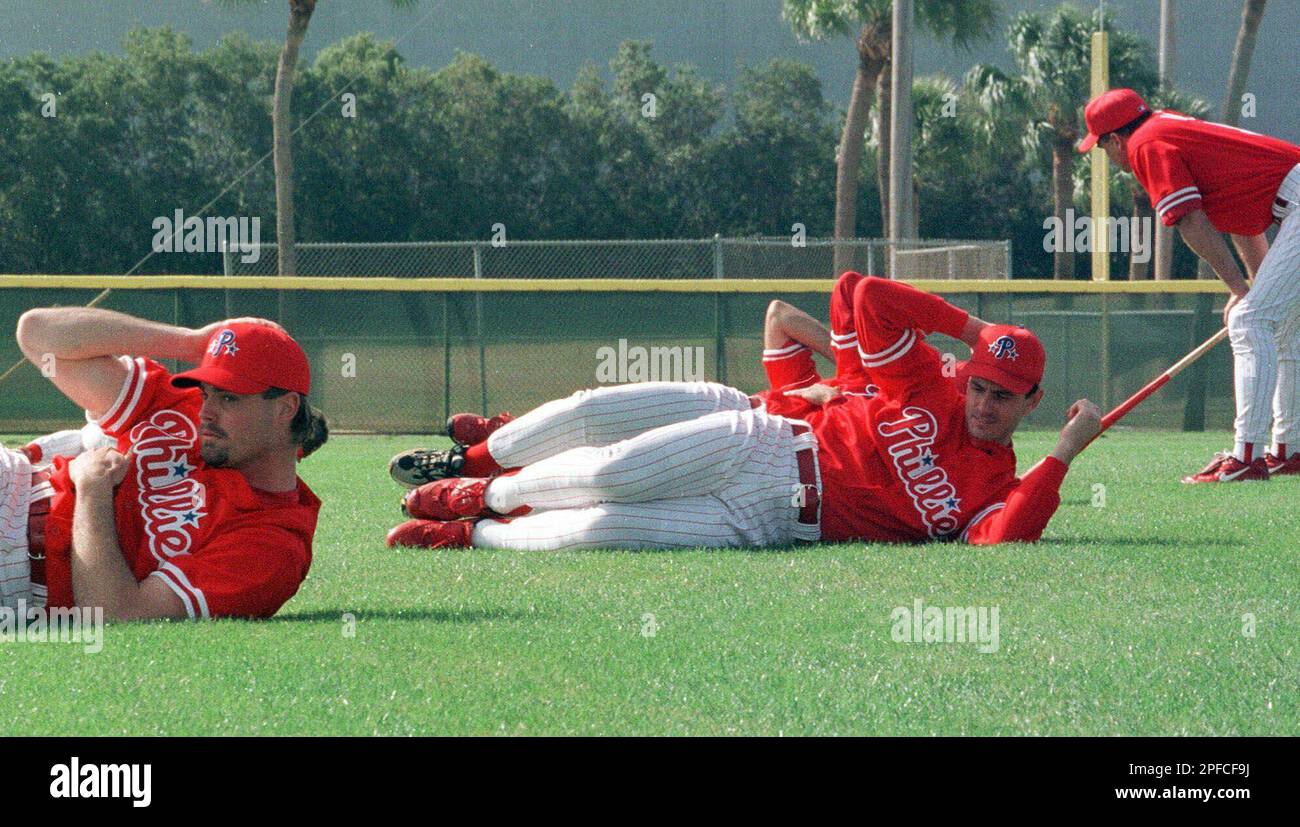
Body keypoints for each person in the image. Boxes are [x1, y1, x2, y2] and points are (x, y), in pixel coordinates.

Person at [385, 275, 1102, 550]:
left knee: (594, 533)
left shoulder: (998, 488)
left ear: (1031, 402)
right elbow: (864, 292)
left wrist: (1065, 451)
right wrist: (973, 333)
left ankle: (471, 536)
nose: (981, 402)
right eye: (979, 384)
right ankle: (477, 484)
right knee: (611, 466)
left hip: (773, 522)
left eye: (1001, 394)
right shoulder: (930, 386)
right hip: (763, 441)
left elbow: (1006, 536)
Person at [4, 309, 327, 619]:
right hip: (13, 484)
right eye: (206, 393)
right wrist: (191, 343)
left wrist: (92, 490)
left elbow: (118, 612)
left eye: (229, 398)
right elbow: (38, 333)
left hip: (18, 582)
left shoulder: (272, 547)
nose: (207, 412)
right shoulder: (185, 409)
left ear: (285, 409)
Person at [1080, 87, 1300, 481]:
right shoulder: (1167, 127)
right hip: (1293, 200)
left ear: (1114, 139)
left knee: (1250, 322)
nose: (1108, 157)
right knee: (1275, 323)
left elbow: (1190, 221)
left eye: (1101, 148)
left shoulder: (1146, 144)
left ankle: (1245, 459)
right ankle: (1287, 451)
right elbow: (1240, 223)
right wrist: (1251, 285)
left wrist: (1240, 292)